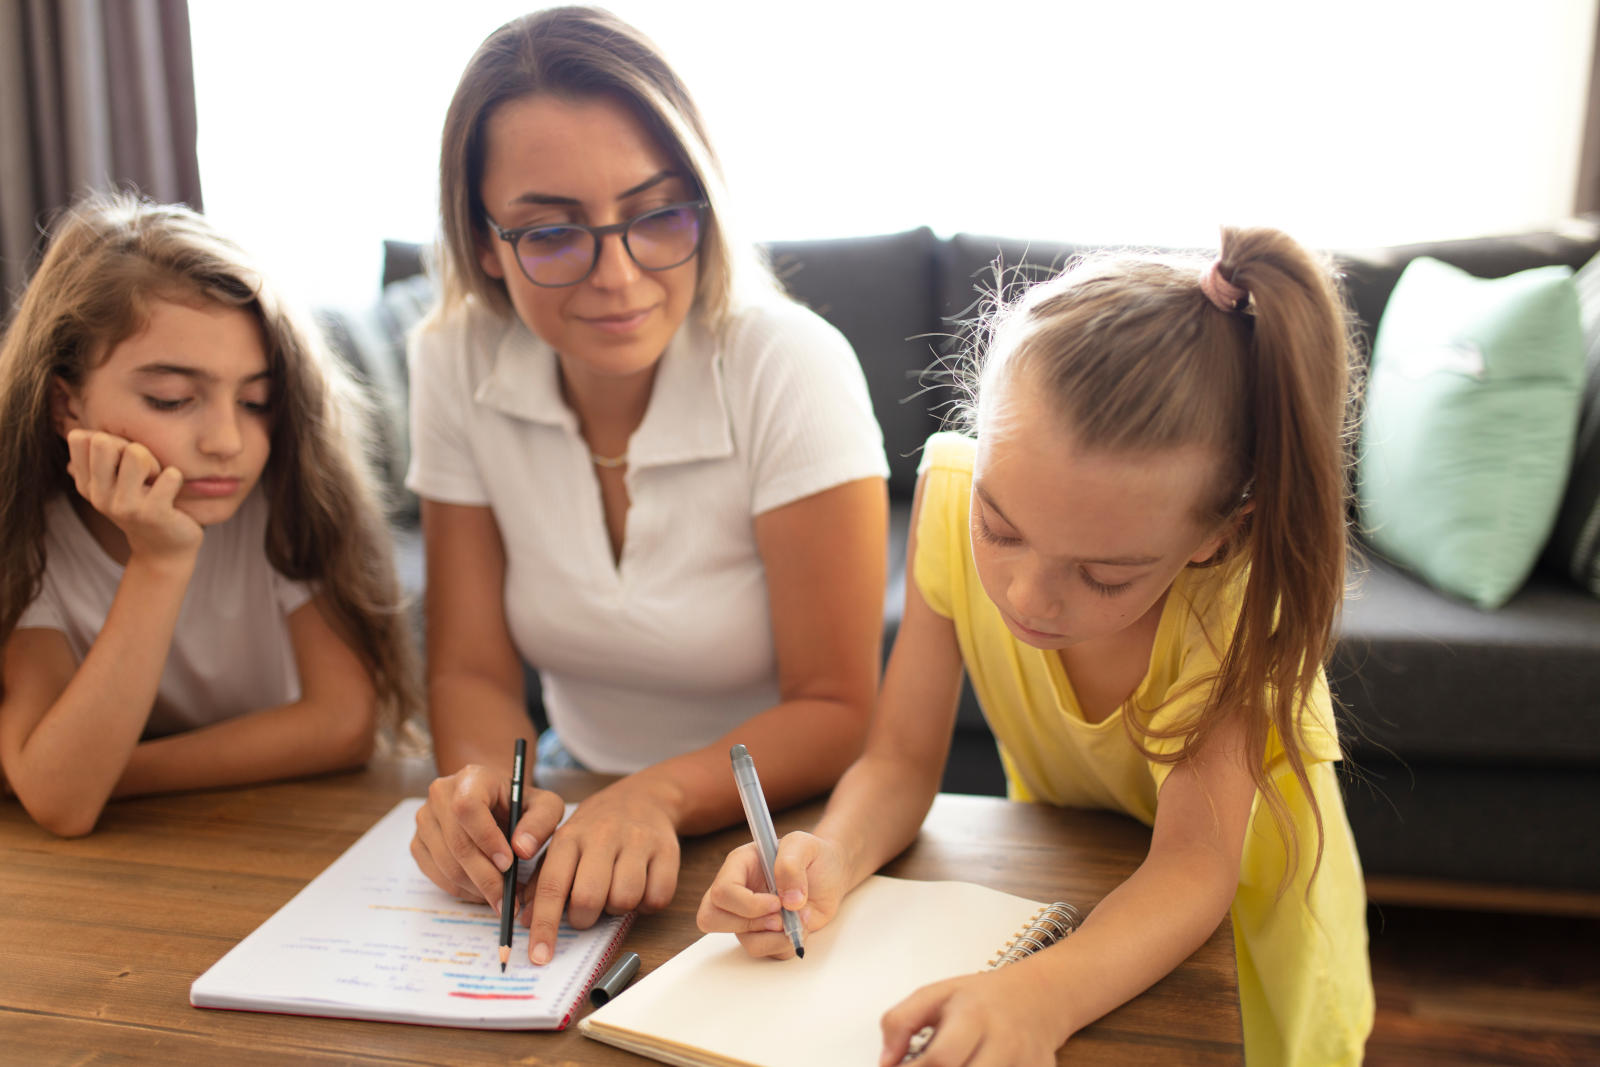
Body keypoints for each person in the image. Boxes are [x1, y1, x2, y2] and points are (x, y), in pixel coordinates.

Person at [698, 228, 1376, 1065]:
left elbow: (1195, 868)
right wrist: (827, 856)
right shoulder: (947, 503)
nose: (1026, 597)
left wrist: (1044, 992)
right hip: (1083, 893)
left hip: (1249, 937)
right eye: (1000, 527)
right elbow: (903, 761)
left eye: (1102, 575)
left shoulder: (1237, 603)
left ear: (1216, 536)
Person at [405, 5, 888, 968]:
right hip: (585, 839)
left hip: (782, 854)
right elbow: (473, 671)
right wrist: (484, 802)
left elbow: (838, 704)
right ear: (485, 239)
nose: (618, 277)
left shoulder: (787, 363)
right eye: (551, 231)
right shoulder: (455, 358)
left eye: (657, 214)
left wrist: (656, 794)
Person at [0, 193, 419, 838]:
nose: (226, 440)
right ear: (66, 406)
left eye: (256, 401)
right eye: (172, 399)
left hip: (293, 825)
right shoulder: (34, 541)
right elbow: (61, 802)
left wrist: (116, 771)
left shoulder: (284, 503)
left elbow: (344, 724)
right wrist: (159, 561)